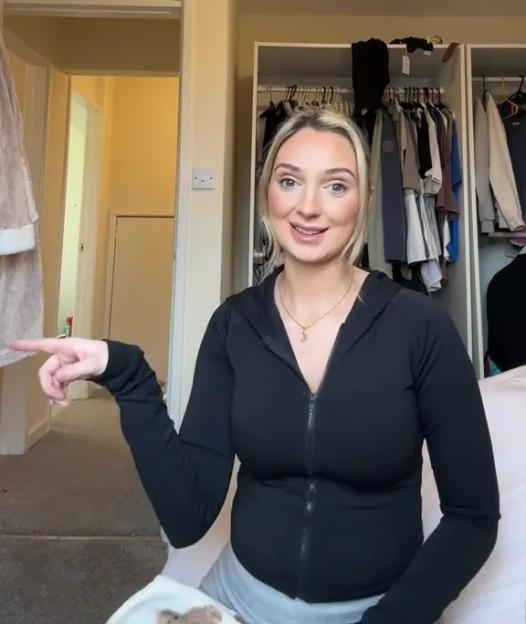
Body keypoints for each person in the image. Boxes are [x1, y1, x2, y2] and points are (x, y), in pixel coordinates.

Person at [12, 109, 500, 624]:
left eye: (336, 186)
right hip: (237, 601)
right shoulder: (234, 325)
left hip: (380, 612)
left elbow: (473, 517)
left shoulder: (420, 328)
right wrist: (128, 375)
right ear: (268, 192)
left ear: (365, 202)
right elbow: (187, 517)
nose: (308, 208)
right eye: (290, 181)